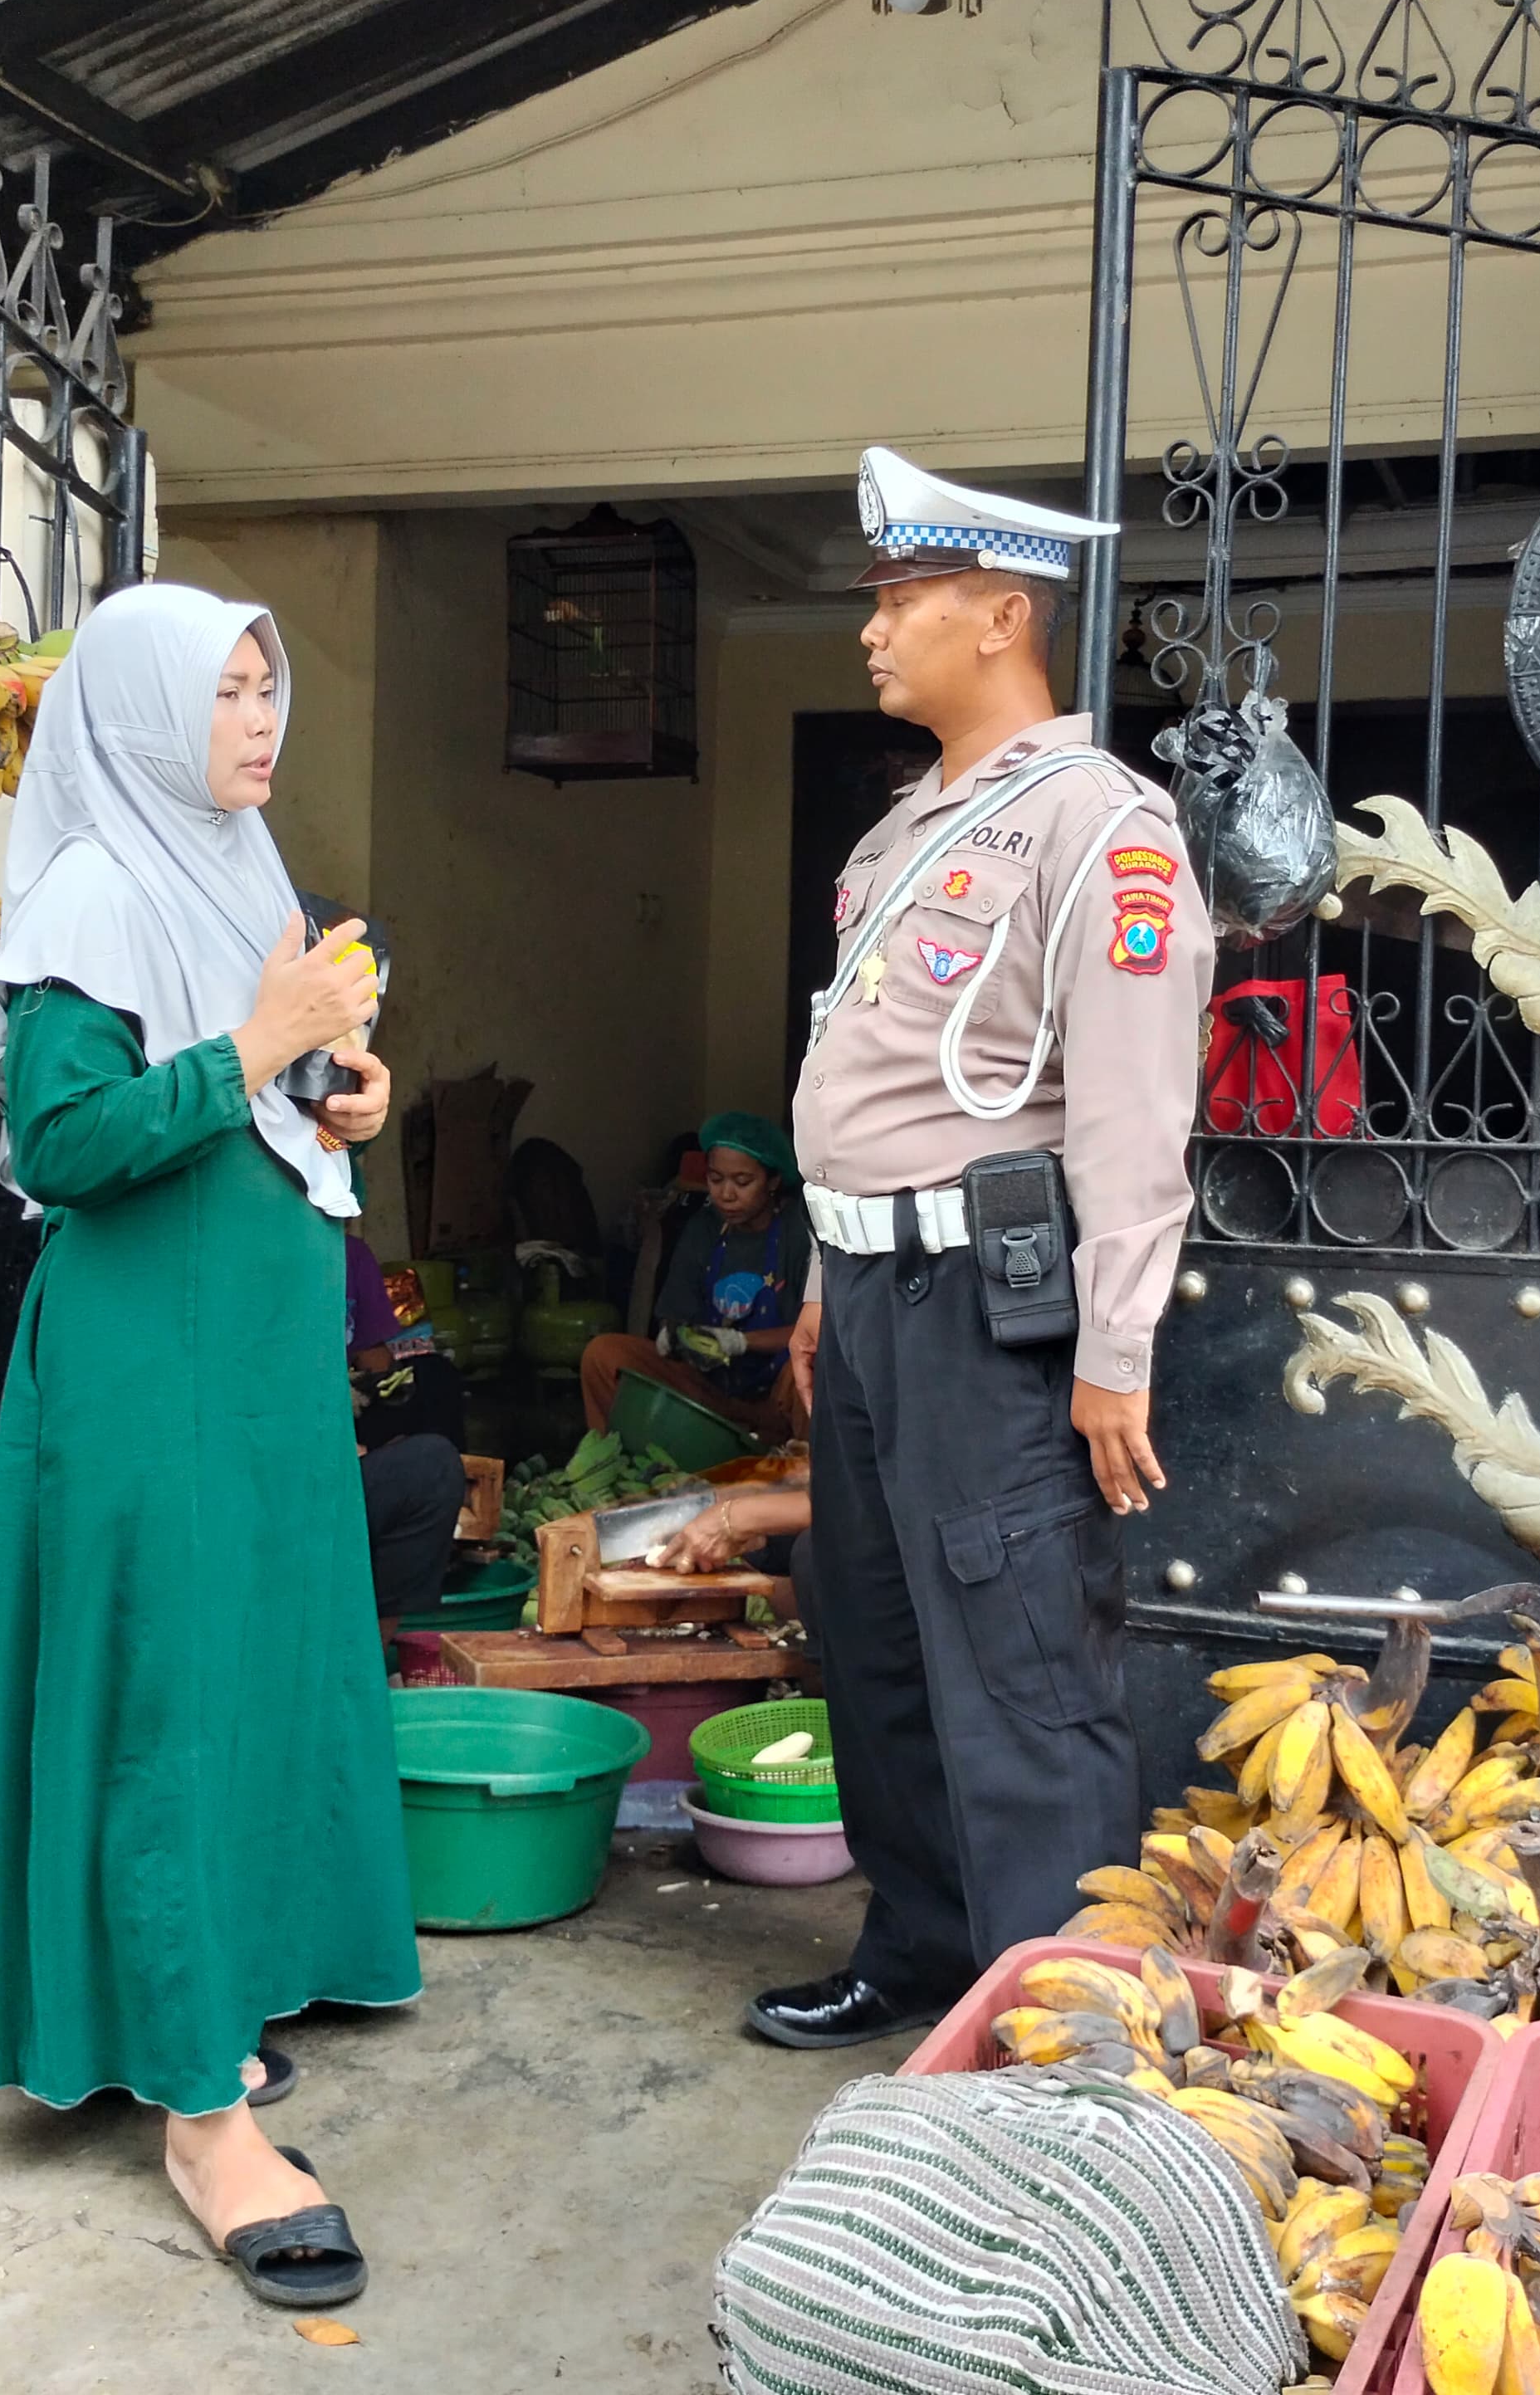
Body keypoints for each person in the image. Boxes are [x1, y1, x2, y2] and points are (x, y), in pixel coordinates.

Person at [0, 584, 417, 2317]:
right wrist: (258, 1049)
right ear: (142, 713)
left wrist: (339, 1089)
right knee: (167, 1688)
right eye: (223, 692)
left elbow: (263, 1090)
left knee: (252, 1667)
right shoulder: (92, 888)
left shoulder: (237, 872)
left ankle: (192, 1994)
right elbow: (63, 1143)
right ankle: (205, 2125)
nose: (258, 719)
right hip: (155, 1358)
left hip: (255, 1354)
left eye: (266, 687)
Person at [738, 449, 1210, 2052]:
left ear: (1002, 615)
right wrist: (823, 1286)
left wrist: (1114, 1349)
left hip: (986, 1305)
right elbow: (858, 1090)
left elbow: (1135, 1112)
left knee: (1019, 1663)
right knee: (875, 1641)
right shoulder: (902, 837)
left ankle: (1062, 2025)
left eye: (904, 600)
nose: (873, 632)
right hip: (873, 1290)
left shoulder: (1102, 827)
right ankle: (925, 1951)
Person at [579, 1112, 813, 1444]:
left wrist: (742, 1342)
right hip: (709, 1392)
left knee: (814, 1366)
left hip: (778, 1397)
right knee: (603, 1354)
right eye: (716, 1179)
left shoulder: (797, 1232)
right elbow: (676, 1312)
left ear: (773, 1181)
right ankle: (615, 1460)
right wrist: (674, 1335)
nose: (726, 1194)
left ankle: (805, 1466)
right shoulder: (703, 1228)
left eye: (743, 1182)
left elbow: (814, 1331)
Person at [348, 1234, 471, 1635]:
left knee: (436, 1377)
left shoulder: (351, 1255)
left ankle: (447, 1534)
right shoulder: (245, 1261)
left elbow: (376, 1359)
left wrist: (382, 1390)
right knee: (429, 1466)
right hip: (285, 1450)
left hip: (346, 1411)